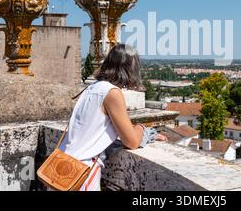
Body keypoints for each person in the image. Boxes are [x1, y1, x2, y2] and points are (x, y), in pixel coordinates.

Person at [59, 44, 167, 191]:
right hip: (80, 174)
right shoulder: (111, 92)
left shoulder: (92, 87)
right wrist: (143, 128)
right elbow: (132, 141)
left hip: (61, 166)